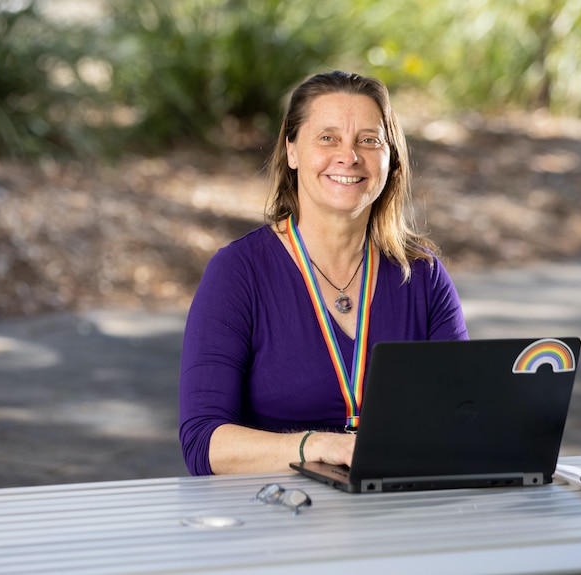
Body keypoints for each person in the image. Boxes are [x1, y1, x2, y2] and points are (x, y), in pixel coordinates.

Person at [178, 70, 468, 476]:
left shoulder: (422, 277)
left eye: (368, 140)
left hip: (398, 514)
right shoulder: (237, 273)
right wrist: (321, 446)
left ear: (391, 159)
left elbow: (463, 419)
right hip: (276, 515)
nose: (349, 157)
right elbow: (203, 443)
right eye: (328, 138)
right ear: (292, 151)